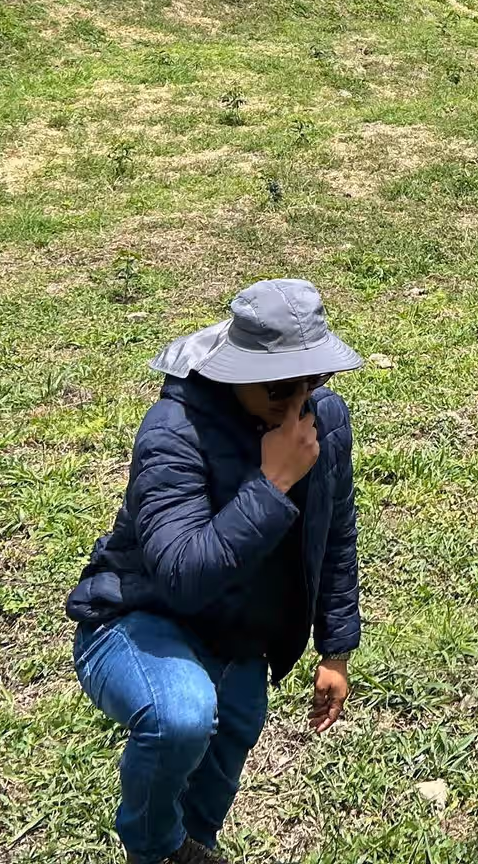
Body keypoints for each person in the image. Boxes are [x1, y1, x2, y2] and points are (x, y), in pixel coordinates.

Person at [67, 279, 363, 864]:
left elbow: (335, 534)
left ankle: (186, 847)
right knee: (180, 717)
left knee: (217, 779)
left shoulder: (321, 421)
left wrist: (336, 650)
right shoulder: (174, 429)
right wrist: (274, 481)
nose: (300, 399)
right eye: (280, 386)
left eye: (317, 379)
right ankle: (153, 847)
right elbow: (181, 574)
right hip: (138, 619)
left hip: (238, 637)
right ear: (236, 371)